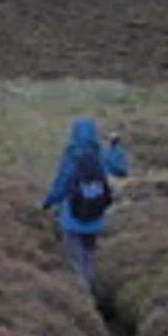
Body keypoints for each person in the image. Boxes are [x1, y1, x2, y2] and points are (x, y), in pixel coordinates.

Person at [41, 118, 128, 288]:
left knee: (75, 261)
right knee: (88, 256)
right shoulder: (100, 154)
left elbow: (61, 185)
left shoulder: (71, 156)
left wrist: (47, 203)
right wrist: (115, 147)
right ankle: (91, 290)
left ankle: (82, 297)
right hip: (95, 218)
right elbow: (121, 170)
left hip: (72, 220)